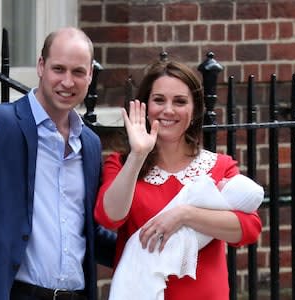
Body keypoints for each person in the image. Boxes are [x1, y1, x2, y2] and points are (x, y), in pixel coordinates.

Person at [0, 0, 116, 299]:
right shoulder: (0, 122)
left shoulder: (89, 144)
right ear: (41, 66)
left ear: (90, 75)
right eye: (58, 69)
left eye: (78, 72)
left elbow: (87, 231)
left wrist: (151, 246)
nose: (67, 82)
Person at [94, 58, 263, 300]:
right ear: (145, 106)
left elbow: (249, 229)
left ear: (194, 111)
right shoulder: (121, 164)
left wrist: (185, 215)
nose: (168, 110)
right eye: (159, 100)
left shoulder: (219, 166)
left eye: (180, 101)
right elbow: (109, 216)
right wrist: (138, 155)